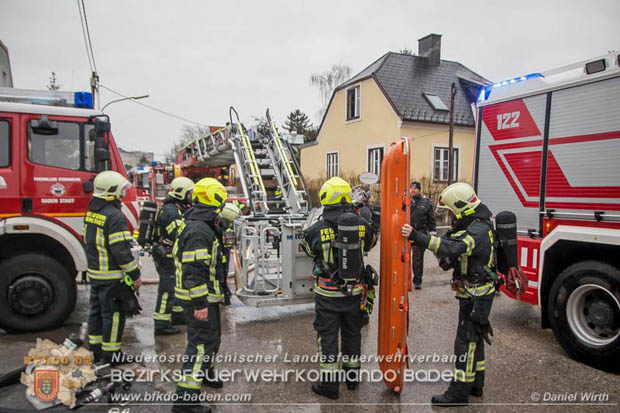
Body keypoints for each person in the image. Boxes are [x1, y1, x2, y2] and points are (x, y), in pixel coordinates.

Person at [401, 182, 495, 406]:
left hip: (475, 297)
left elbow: (454, 248)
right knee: (475, 340)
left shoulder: (477, 231)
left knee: (466, 342)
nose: (451, 216)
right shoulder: (478, 224)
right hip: (476, 293)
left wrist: (418, 236)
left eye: (452, 211)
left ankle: (458, 394)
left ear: (461, 208)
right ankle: (476, 385)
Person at [301, 176, 377, 400]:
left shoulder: (316, 229)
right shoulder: (362, 225)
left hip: (327, 294)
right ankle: (352, 378)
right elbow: (371, 243)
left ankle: (329, 385)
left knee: (328, 337)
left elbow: (308, 251)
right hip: (355, 292)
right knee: (353, 333)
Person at [172, 178, 231, 413]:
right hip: (199, 298)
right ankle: (185, 401)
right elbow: (194, 270)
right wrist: (200, 303)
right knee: (199, 346)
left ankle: (205, 373)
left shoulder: (202, 223)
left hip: (208, 296)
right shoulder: (199, 230)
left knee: (211, 340)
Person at [84, 171, 141, 364]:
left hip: (96, 274)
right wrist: (134, 274)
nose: (123, 194)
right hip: (112, 276)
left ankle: (96, 350)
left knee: (96, 312)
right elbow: (121, 250)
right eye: (121, 191)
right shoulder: (114, 216)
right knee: (114, 315)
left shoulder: (92, 211)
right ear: (111, 192)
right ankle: (112, 354)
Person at [152, 176, 195, 335]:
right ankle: (161, 323)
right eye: (189, 193)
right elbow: (179, 234)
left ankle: (177, 315)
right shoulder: (171, 212)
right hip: (167, 256)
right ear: (181, 193)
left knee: (176, 287)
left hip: (171, 256)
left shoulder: (176, 207)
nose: (191, 196)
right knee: (167, 290)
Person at [409, 181, 437, 289]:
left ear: (419, 190)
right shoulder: (406, 201)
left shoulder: (426, 203)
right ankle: (404, 280)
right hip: (407, 233)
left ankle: (417, 280)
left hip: (420, 233)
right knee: (403, 258)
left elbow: (431, 219)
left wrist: (432, 233)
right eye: (411, 188)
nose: (413, 190)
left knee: (417, 259)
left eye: (415, 188)